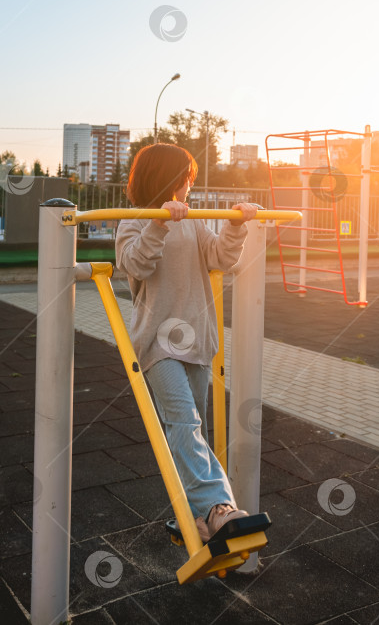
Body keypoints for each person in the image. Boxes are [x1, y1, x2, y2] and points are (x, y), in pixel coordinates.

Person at [115, 143, 257, 543]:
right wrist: (159, 224)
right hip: (157, 341)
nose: (189, 187)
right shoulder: (132, 221)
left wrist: (235, 225)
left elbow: (220, 258)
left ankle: (187, 517)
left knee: (188, 432)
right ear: (167, 179)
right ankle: (219, 507)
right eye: (185, 178)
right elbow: (135, 264)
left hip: (198, 339)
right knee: (185, 423)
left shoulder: (193, 221)